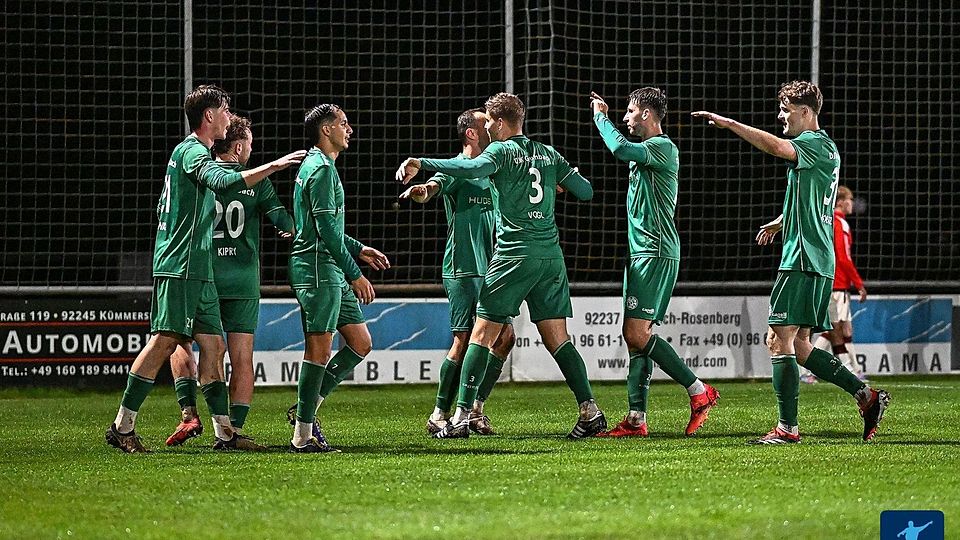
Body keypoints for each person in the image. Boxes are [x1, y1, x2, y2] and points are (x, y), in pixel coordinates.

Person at [105, 85, 306, 453]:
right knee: (165, 340)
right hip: (181, 263)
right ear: (210, 116)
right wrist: (275, 166)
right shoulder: (192, 151)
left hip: (201, 267)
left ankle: (225, 433)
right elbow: (223, 181)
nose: (229, 117)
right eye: (225, 110)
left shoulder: (192, 153)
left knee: (214, 346)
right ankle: (122, 426)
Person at [397, 92, 607, 439]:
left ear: (498, 122)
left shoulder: (501, 151)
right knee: (558, 339)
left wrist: (421, 160)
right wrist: (561, 180)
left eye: (490, 122)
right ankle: (590, 411)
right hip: (550, 258)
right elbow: (585, 191)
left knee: (480, 335)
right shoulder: (548, 153)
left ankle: (460, 417)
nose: (488, 129)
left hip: (514, 255)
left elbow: (472, 167)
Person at [692, 80, 889, 444]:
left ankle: (787, 429)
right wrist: (782, 221)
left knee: (777, 338)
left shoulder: (811, 143)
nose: (781, 116)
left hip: (803, 257)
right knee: (799, 345)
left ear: (805, 112)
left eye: (786, 110)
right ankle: (866, 396)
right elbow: (813, 201)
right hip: (816, 258)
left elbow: (775, 146)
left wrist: (730, 123)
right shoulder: (827, 148)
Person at [589, 89, 720, 438]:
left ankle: (699, 391)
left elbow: (619, 148)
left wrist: (600, 115)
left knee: (637, 334)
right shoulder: (646, 151)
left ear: (647, 114)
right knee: (635, 337)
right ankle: (636, 419)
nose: (626, 118)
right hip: (640, 252)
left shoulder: (662, 147)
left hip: (655, 250)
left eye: (631, 111)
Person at [164, 114, 295, 447]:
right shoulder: (256, 181)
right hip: (242, 280)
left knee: (181, 342)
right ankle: (231, 430)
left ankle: (189, 412)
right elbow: (283, 220)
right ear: (238, 147)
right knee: (241, 357)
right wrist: (290, 227)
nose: (251, 149)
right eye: (249, 143)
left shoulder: (202, 173)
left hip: (203, 274)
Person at [399, 108, 515, 436]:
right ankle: (439, 413)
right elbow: (433, 186)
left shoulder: (493, 169)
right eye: (484, 123)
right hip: (463, 267)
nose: (491, 127)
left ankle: (476, 410)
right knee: (463, 341)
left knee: (505, 339)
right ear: (471, 133)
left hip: (493, 269)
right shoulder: (456, 168)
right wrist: (422, 191)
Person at [288, 103, 391, 453]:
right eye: (344, 124)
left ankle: (305, 409)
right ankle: (302, 435)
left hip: (329, 265)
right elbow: (326, 231)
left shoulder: (321, 166)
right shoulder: (319, 170)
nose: (350, 130)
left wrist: (359, 249)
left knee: (361, 343)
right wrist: (355, 274)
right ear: (326, 129)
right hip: (318, 267)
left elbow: (327, 227)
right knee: (318, 350)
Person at [814, 186, 868, 380]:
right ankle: (809, 370)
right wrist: (859, 284)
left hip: (827, 281)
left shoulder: (826, 222)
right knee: (835, 330)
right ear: (840, 202)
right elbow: (844, 258)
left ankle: (855, 370)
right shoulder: (840, 224)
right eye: (850, 199)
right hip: (838, 285)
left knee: (840, 330)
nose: (852, 203)